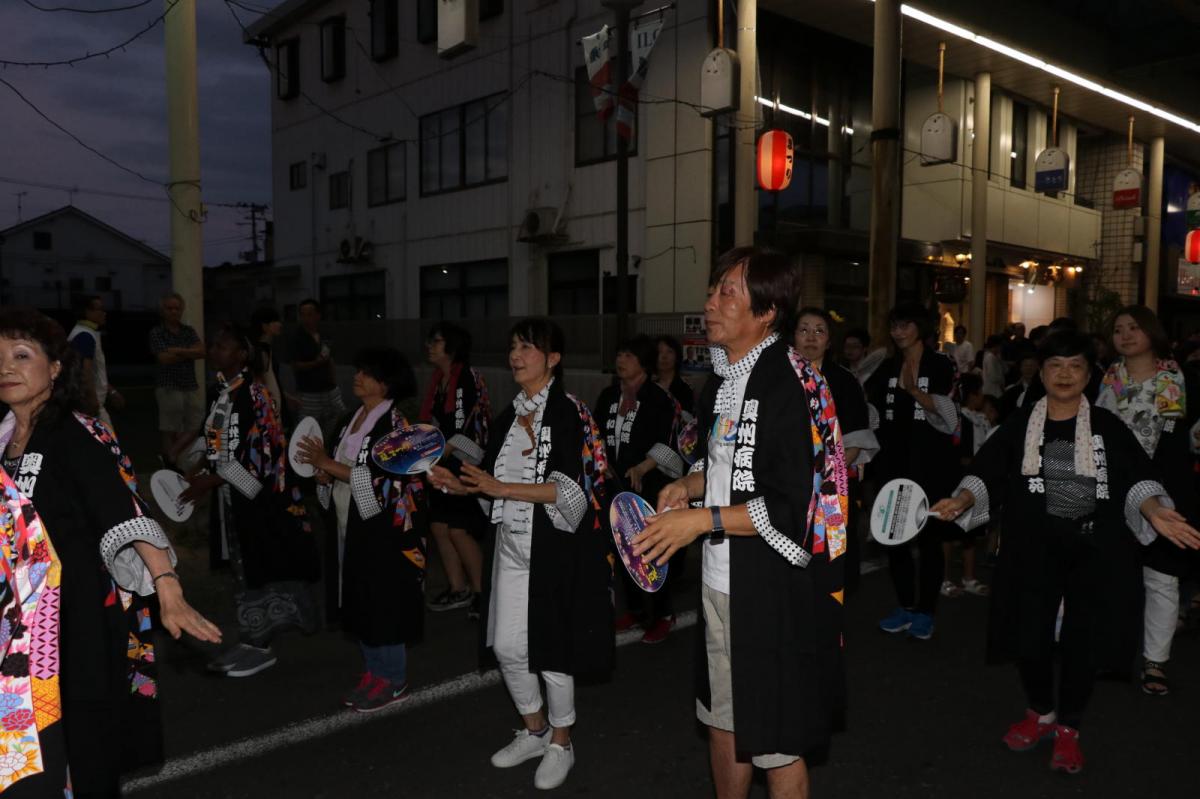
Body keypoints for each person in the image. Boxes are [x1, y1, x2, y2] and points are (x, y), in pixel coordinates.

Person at [931, 331, 1200, 775]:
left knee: (1082, 643)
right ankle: (1041, 711)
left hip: (1094, 551)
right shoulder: (1021, 424)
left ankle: (1070, 727)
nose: (1065, 374)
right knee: (1029, 637)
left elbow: (1137, 478)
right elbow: (988, 470)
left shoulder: (1108, 427)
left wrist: (1154, 511)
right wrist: (961, 500)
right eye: (1056, 365)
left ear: (1089, 374)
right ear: (1042, 372)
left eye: (1075, 365)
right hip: (1032, 548)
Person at [632, 248, 848, 799]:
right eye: (714, 289)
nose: (710, 302)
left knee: (776, 740)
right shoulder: (726, 378)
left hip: (772, 589)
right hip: (720, 580)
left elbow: (793, 507)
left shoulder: (789, 385)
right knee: (721, 718)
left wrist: (698, 522)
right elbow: (730, 465)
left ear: (767, 312)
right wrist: (690, 483)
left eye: (727, 292)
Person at [0, 306, 220, 797]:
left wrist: (167, 586)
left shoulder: (71, 434)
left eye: (20, 355)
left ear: (55, 368)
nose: (6, 368)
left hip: (71, 619)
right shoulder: (4, 439)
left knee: (80, 740)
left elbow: (122, 512)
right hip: (17, 625)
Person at [430, 318, 610, 792]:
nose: (517, 354)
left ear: (553, 359)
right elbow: (491, 489)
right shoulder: (508, 416)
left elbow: (574, 493)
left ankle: (562, 741)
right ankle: (534, 730)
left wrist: (498, 485)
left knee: (551, 649)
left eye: (528, 347)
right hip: (510, 544)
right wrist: (462, 484)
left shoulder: (570, 412)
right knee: (508, 645)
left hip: (554, 549)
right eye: (513, 346)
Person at [181, 324, 320, 679]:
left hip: (259, 501)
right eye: (214, 345)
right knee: (242, 567)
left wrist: (206, 482)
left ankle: (261, 644)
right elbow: (213, 438)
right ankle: (250, 638)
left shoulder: (255, 395)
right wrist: (196, 467)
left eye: (224, 346)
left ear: (243, 354)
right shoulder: (222, 391)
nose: (216, 350)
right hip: (233, 496)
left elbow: (259, 461)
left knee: (260, 565)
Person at [298, 348, 429, 712]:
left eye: (366, 372)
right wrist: (324, 474)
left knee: (383, 599)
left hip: (385, 529)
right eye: (357, 370)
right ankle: (374, 671)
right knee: (358, 595)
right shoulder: (348, 420)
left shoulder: (397, 426)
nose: (357, 377)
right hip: (350, 521)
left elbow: (384, 480)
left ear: (385, 383)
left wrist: (329, 464)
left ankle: (394, 678)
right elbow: (342, 467)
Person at [1097, 306, 1198, 696]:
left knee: (1161, 579)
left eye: (1133, 327)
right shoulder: (1106, 379)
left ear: (1152, 332)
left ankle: (1156, 662)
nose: (1124, 335)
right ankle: (1113, 653)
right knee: (1113, 575)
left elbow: (1190, 432)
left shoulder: (1179, 377)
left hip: (1166, 490)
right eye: (1118, 329)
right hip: (1114, 488)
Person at [867, 302, 960, 640]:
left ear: (920, 327)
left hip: (932, 464)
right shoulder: (886, 365)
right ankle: (905, 606)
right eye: (894, 325)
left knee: (931, 539)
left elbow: (951, 415)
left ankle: (926, 611)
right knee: (896, 537)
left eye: (905, 324)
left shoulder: (941, 364)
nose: (899, 331)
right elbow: (872, 410)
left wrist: (915, 392)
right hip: (894, 463)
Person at [595, 335, 684, 643]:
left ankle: (662, 612)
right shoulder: (609, 396)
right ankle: (634, 609)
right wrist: (600, 461)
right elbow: (596, 436)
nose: (622, 360)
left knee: (652, 550)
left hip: (648, 486)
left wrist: (644, 467)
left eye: (629, 355)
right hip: (615, 486)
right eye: (619, 353)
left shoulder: (658, 398)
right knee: (623, 550)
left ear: (643, 362)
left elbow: (668, 443)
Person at [794, 307, 879, 594]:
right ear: (793, 337)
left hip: (833, 487)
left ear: (829, 342)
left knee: (833, 566)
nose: (811, 337)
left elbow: (855, 442)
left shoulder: (844, 381)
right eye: (803, 329)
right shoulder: (778, 380)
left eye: (819, 331)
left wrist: (825, 477)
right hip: (788, 486)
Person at [420, 322, 491, 619]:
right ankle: (458, 588)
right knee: (439, 527)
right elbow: (435, 423)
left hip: (465, 464)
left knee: (459, 530)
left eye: (436, 342)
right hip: (442, 463)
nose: (430, 346)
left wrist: (435, 451)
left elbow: (471, 429)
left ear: (451, 347)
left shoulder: (467, 378)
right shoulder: (440, 380)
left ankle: (481, 593)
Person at [941, 373, 993, 598]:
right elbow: (958, 457)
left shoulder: (979, 420)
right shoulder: (960, 421)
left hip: (975, 484)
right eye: (980, 392)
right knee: (949, 535)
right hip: (957, 483)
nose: (982, 396)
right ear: (972, 395)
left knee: (970, 532)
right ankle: (943, 580)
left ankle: (969, 577)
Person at [148, 291, 205, 467]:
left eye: (177, 308)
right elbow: (163, 358)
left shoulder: (188, 331)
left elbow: (202, 351)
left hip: (189, 385)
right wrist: (189, 352)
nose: (174, 312)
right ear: (162, 311)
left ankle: (171, 455)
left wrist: (176, 350)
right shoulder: (157, 332)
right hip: (168, 386)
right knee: (169, 428)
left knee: (197, 424)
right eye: (169, 308)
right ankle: (171, 464)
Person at [289, 298, 345, 435]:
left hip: (330, 392)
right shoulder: (296, 337)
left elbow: (330, 359)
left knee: (337, 426)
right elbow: (296, 365)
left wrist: (334, 383)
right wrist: (316, 363)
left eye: (309, 314)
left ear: (318, 315)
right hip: (309, 393)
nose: (305, 318)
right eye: (302, 315)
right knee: (308, 431)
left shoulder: (324, 334)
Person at [68, 294, 123, 429]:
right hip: (89, 404)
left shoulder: (85, 333)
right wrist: (92, 399)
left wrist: (111, 391)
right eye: (100, 309)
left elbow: (94, 371)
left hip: (87, 402)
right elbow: (85, 371)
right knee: (107, 445)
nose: (104, 313)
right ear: (87, 312)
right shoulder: (85, 335)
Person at [250, 305, 292, 427]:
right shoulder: (261, 351)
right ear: (264, 326)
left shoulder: (265, 349)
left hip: (273, 401)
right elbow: (261, 382)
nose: (280, 324)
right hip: (269, 405)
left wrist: (285, 396)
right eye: (275, 321)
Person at [653, 334, 695, 415]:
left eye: (669, 351)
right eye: (660, 352)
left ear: (677, 357)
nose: (664, 356)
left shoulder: (685, 390)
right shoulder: (647, 387)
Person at [1000, 353, 1044, 421]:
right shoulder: (1011, 391)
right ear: (1020, 368)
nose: (1029, 368)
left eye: (1032, 365)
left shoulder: (1043, 390)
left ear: (1037, 368)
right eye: (1026, 365)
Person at [981, 334, 1007, 398]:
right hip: (992, 390)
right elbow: (993, 376)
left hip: (994, 389)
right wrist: (1001, 379)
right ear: (996, 345)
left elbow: (1006, 370)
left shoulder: (994, 356)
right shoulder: (990, 357)